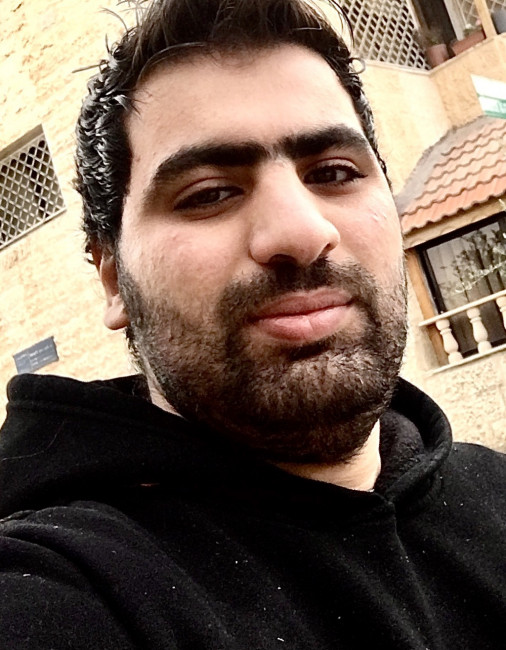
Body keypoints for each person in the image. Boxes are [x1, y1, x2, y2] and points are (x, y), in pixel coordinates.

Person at [0, 0, 504, 648]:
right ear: (113, 278)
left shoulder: (495, 492)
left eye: (334, 173)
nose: (301, 232)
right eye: (210, 193)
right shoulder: (61, 589)